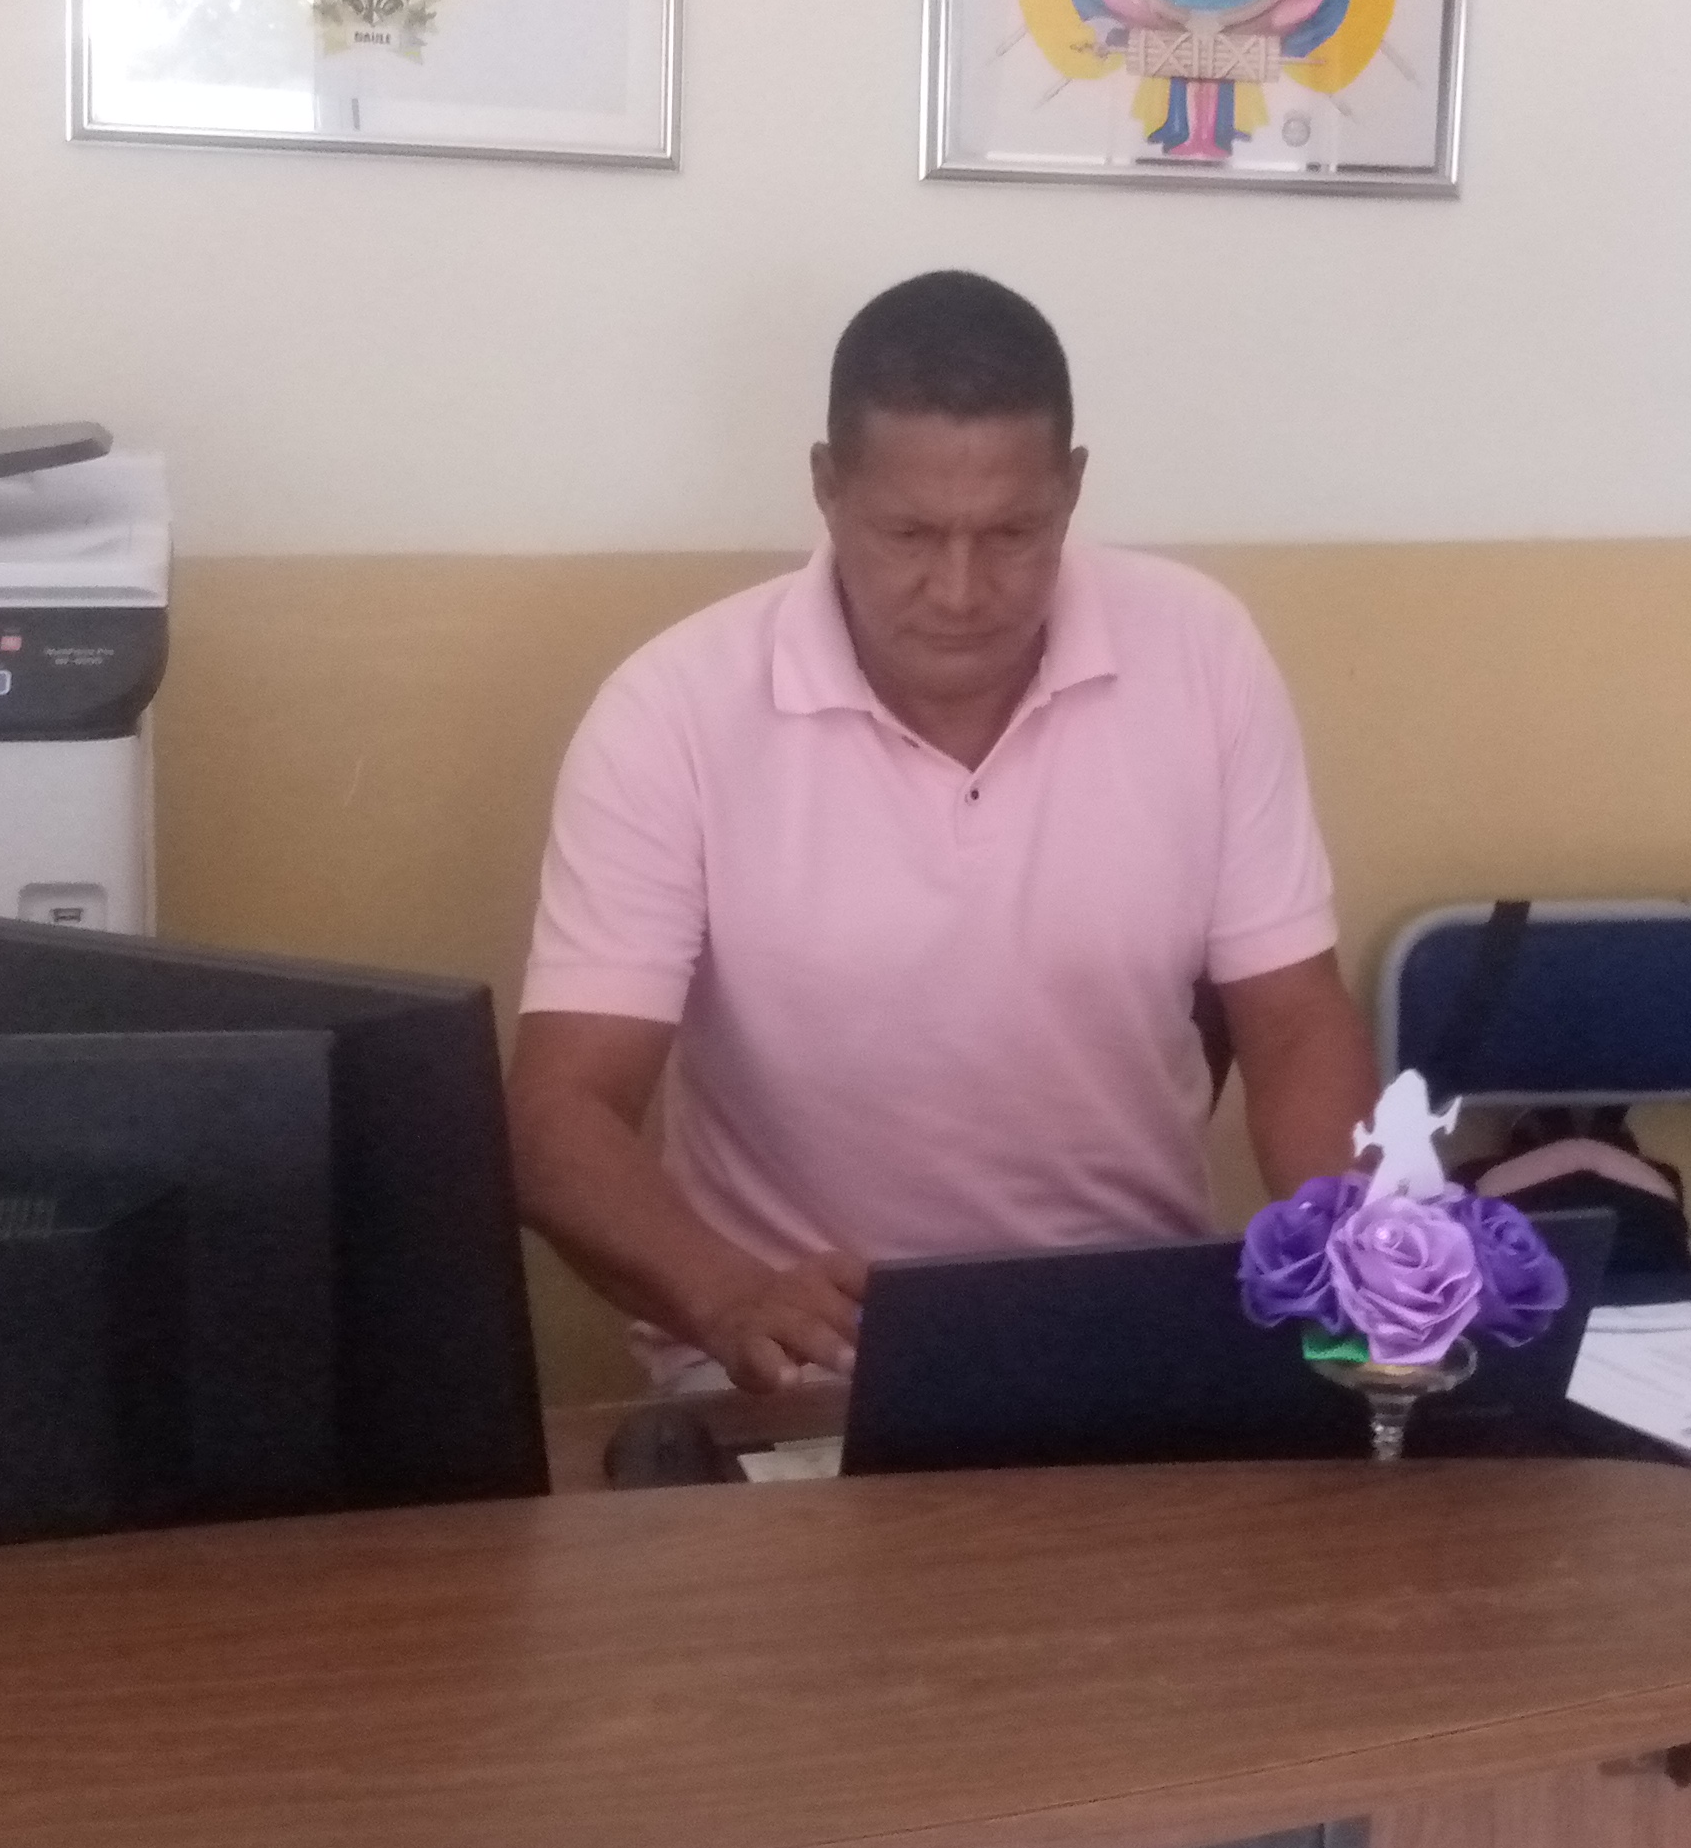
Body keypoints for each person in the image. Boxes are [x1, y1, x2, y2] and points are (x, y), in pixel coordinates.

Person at [512, 271, 1381, 1390]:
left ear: (1072, 488)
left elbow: (1295, 1024)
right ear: (826, 488)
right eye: (911, 533)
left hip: (1129, 1326)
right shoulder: (671, 712)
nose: (962, 591)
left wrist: (1358, 1259)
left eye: (1013, 531)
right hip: (800, 1354)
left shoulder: (1200, 651)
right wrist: (727, 1296)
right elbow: (561, 1112)